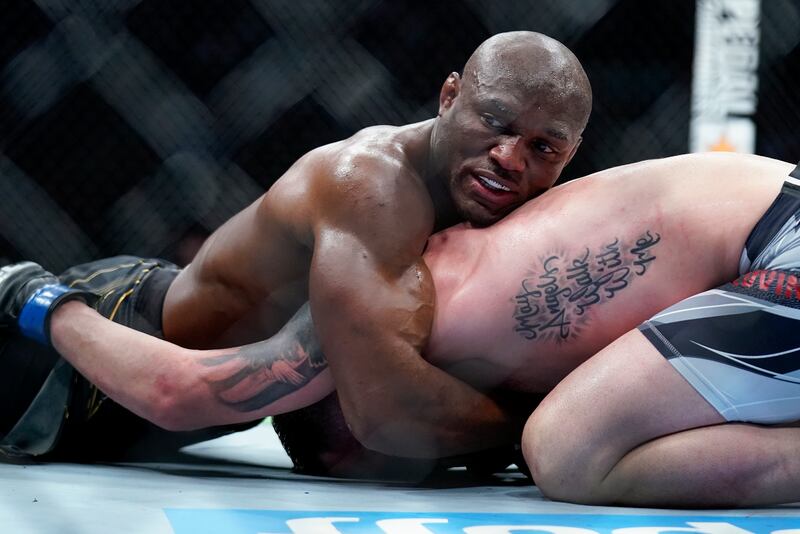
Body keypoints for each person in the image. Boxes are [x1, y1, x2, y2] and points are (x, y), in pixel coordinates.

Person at [14, 151, 800, 507]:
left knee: (569, 452)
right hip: (770, 254)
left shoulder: (383, 304)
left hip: (785, 242)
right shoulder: (509, 348)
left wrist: (36, 298)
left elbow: (176, 391)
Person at [0, 31, 591, 463]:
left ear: (572, 154)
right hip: (113, 339)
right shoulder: (370, 185)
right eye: (495, 121)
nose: (511, 159)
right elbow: (384, 410)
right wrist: (542, 425)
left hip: (198, 397)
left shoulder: (529, 212)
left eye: (544, 148)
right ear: (448, 96)